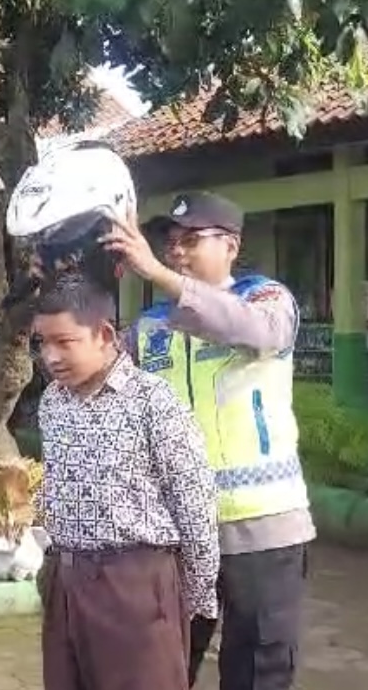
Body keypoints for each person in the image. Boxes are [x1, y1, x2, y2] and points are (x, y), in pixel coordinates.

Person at [104, 192, 314, 690]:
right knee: (162, 666)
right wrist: (86, 279)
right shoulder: (151, 327)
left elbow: (257, 332)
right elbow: (100, 377)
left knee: (257, 670)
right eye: (170, 242)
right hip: (177, 532)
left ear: (232, 246)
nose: (176, 251)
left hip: (262, 528)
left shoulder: (267, 300)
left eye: (191, 240)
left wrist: (158, 275)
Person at [33, 284, 219, 690]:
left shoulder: (153, 401)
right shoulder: (52, 402)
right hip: (66, 582)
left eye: (64, 342)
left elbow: (194, 502)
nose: (50, 356)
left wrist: (197, 595)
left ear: (104, 334)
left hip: (135, 587)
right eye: (43, 342)